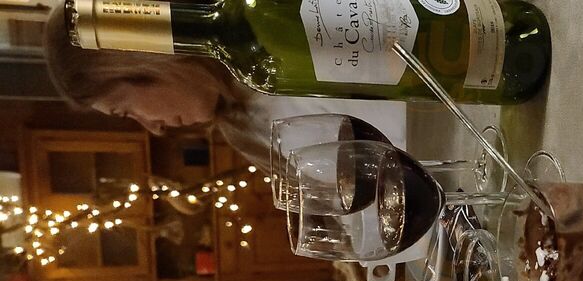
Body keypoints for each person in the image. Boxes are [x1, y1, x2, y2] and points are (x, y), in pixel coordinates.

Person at [42, 6, 407, 169]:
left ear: (139, 62)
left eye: (126, 111)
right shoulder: (243, 133)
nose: (154, 128)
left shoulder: (272, 20)